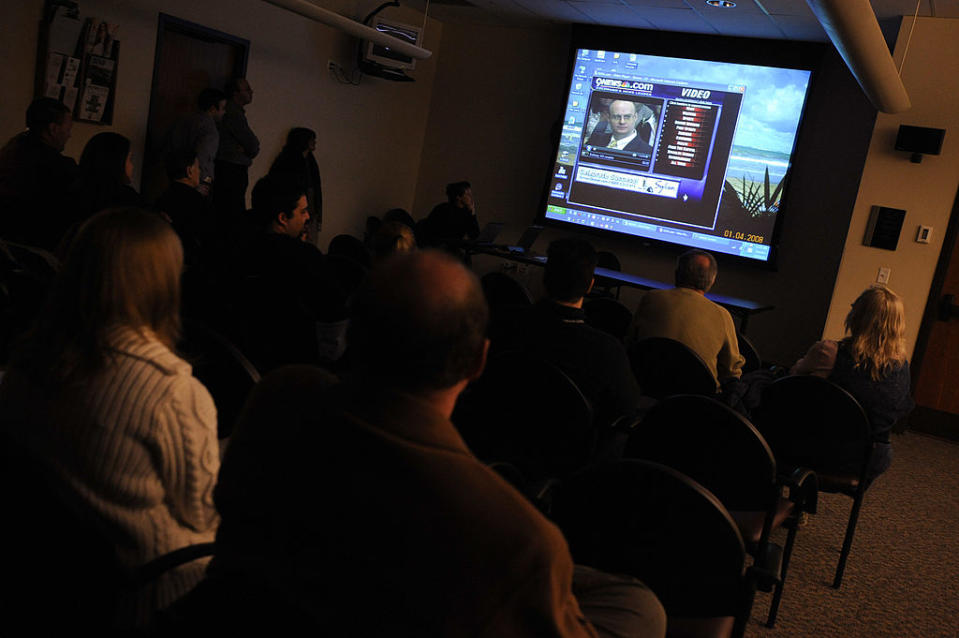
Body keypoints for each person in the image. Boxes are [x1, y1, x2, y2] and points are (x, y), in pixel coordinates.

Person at [181, 250, 665, 636]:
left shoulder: (279, 397)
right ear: (479, 361)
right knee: (641, 608)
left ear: (356, 330)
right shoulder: (521, 538)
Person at [0, 208, 220, 628]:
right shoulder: (171, 391)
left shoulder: (24, 363)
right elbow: (204, 514)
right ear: (161, 284)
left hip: (52, 579)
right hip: (152, 587)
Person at [496, 238, 641, 430]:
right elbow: (626, 409)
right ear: (590, 285)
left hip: (500, 431)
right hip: (570, 451)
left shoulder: (504, 322)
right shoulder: (607, 350)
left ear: (545, 277)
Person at [790, 285, 914, 480]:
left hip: (817, 450)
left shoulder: (828, 352)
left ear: (857, 315)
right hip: (869, 460)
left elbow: (793, 380)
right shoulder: (902, 367)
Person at [228, 175, 346, 371]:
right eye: (303, 211)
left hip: (240, 363)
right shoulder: (306, 258)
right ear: (283, 218)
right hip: (293, 372)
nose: (308, 217)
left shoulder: (234, 246)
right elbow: (334, 319)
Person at [628, 249, 745, 388]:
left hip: (645, 385)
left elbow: (630, 343)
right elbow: (731, 372)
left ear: (677, 273)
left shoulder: (651, 298)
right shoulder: (722, 315)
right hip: (696, 400)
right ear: (712, 280)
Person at [0, 97, 78, 249]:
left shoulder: (9, 155)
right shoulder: (61, 168)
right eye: (68, 129)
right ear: (53, 129)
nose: (69, 135)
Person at [69, 131, 142, 231]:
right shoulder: (127, 201)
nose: (132, 166)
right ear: (117, 162)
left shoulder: (73, 192)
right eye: (129, 159)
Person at [155, 150, 214, 269]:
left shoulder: (162, 198)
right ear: (189, 171)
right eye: (197, 167)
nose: (200, 171)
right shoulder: (197, 201)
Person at [166, 88, 227, 196]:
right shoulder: (209, 130)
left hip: (175, 177)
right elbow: (203, 159)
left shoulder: (183, 120)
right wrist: (202, 183)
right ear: (213, 109)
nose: (224, 112)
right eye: (223, 108)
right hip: (196, 182)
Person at [215, 78, 259, 220]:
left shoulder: (234, 112)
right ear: (235, 94)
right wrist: (249, 151)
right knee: (232, 212)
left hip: (229, 168)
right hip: (232, 169)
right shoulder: (233, 114)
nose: (251, 91)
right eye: (246, 89)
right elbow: (252, 144)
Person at [268, 127, 320, 242]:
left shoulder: (309, 161)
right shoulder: (291, 161)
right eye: (311, 139)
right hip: (295, 206)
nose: (314, 142)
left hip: (306, 205)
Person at [423, 180, 479, 245]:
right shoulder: (443, 210)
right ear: (458, 197)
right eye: (468, 194)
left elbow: (475, 236)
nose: (471, 197)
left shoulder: (466, 213)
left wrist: (472, 213)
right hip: (438, 249)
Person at [587, 100, 653, 154]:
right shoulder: (595, 139)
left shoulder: (648, 151)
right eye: (616, 117)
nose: (622, 122)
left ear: (635, 117)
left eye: (627, 117)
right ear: (609, 118)